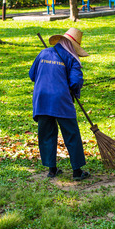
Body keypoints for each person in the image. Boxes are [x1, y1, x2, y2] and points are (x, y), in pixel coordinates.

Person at [29, 28, 90, 181]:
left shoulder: (43, 54)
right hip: (61, 101)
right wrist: (73, 93)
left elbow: (32, 75)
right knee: (71, 134)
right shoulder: (72, 59)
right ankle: (77, 172)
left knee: (47, 134)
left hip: (41, 100)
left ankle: (52, 169)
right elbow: (75, 82)